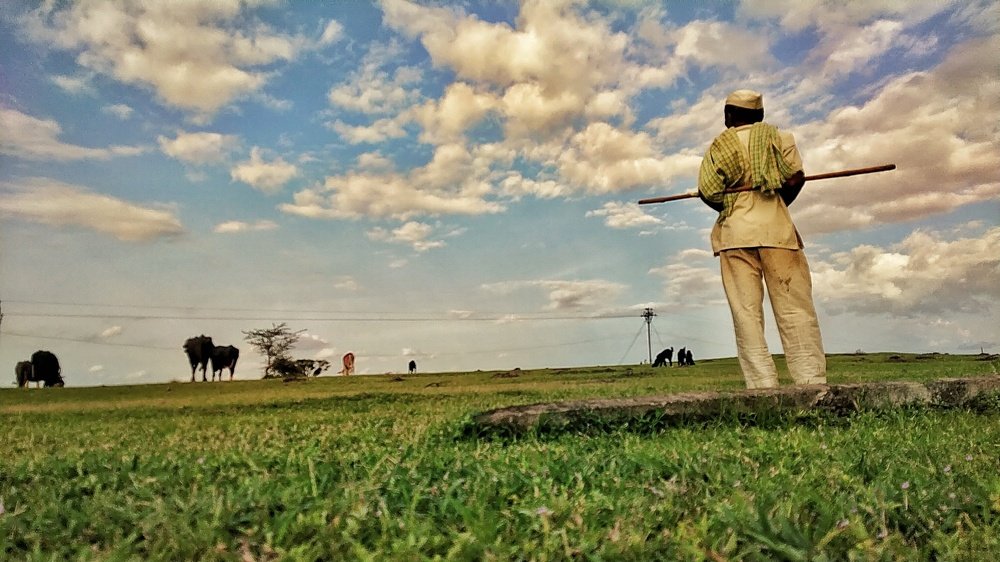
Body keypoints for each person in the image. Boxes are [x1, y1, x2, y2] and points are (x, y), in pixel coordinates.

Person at [697, 89, 826, 389]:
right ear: (761, 114)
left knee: (746, 313)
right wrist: (774, 203)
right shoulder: (782, 138)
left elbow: (707, 191)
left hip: (734, 236)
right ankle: (811, 383)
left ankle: (761, 387)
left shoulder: (719, 146)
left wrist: (733, 207)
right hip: (777, 232)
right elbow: (795, 179)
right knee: (795, 307)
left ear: (729, 115)